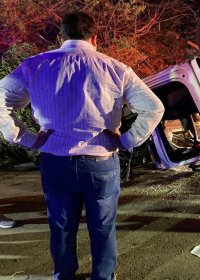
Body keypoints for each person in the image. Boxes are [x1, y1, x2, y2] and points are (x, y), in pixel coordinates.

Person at [0, 12, 164, 280]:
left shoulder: (36, 65)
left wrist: (26, 138)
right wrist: (126, 141)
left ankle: (64, 275)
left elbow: (0, 100)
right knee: (102, 227)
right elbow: (154, 107)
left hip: (56, 162)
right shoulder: (116, 68)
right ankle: (103, 276)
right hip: (101, 163)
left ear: (61, 37)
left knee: (61, 227)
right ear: (95, 38)